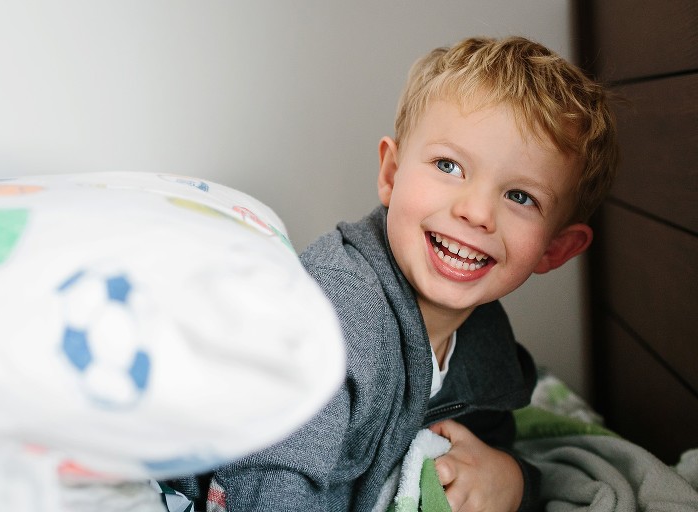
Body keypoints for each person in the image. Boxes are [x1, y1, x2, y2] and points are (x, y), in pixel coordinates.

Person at [167, 35, 619, 512]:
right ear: (391, 172)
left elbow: (486, 444)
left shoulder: (485, 342)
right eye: (449, 165)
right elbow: (264, 476)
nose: (476, 212)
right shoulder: (338, 313)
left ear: (556, 248)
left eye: (520, 197)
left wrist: (514, 481)